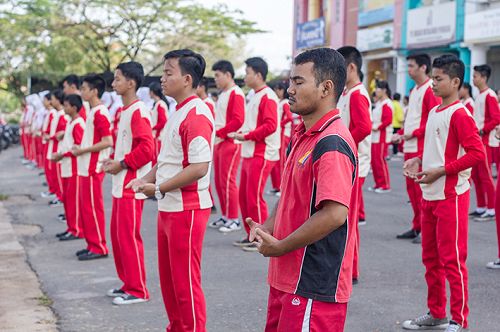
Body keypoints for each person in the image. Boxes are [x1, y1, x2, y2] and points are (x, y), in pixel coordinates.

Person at [246, 47, 358, 332]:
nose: (290, 89)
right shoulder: (304, 134)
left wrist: (282, 246)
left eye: (298, 82)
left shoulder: (331, 141)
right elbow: (290, 195)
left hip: (312, 282)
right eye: (290, 82)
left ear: (326, 88)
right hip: (287, 275)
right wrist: (268, 228)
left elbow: (334, 214)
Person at [127, 49, 214, 331]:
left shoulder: (197, 113)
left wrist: (159, 188)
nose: (162, 79)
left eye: (168, 73)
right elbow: (167, 160)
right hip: (169, 206)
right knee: (169, 280)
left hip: (186, 209)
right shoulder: (179, 110)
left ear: (187, 79)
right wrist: (145, 180)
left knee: (185, 281)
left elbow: (199, 167)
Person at [401, 54, 484, 332]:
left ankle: (460, 320)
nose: (433, 84)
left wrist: (443, 171)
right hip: (430, 195)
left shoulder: (461, 114)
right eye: (433, 78)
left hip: (451, 197)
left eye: (439, 79)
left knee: (453, 261)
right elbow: (435, 150)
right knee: (431, 259)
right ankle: (436, 313)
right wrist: (419, 161)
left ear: (455, 82)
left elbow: (476, 153)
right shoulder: (436, 111)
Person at [102, 62, 154, 305]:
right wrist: (116, 162)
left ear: (131, 83)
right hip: (121, 183)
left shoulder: (137, 110)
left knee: (129, 238)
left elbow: (147, 149)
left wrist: (121, 164)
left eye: (117, 79)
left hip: (131, 185)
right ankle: (128, 283)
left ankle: (138, 290)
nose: (113, 84)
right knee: (119, 237)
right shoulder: (127, 110)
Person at [228, 57, 280, 251]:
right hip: (250, 151)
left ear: (258, 75)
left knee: (254, 197)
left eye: (248, 72)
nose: (245, 76)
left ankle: (262, 237)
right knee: (245, 196)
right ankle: (251, 234)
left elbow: (270, 126)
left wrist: (246, 136)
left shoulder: (267, 96)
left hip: (263, 152)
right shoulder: (253, 94)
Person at [394, 53, 440, 243]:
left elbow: (433, 120)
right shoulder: (414, 90)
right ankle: (417, 226)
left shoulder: (430, 89)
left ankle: (426, 230)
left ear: (423, 67)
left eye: (412, 66)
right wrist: (403, 132)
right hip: (410, 144)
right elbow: (412, 119)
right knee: (412, 190)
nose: (409, 69)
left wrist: (413, 133)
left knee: (421, 190)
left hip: (421, 146)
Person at [337, 46, 371, 282]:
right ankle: (348, 267)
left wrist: (343, 144)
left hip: (354, 161)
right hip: (349, 160)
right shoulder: (348, 92)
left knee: (348, 221)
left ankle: (352, 270)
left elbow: (364, 127)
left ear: (351, 67)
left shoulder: (358, 93)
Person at [72, 74, 113, 261]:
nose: (81, 92)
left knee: (93, 209)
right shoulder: (93, 111)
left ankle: (99, 247)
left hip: (93, 166)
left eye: (84, 89)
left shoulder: (100, 112)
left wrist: (83, 150)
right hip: (86, 165)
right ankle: (91, 244)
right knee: (87, 208)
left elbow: (107, 141)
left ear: (94, 91)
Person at [209, 60, 245, 233]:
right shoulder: (224, 93)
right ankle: (225, 215)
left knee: (228, 181)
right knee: (219, 181)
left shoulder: (235, 93)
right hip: (220, 141)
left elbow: (238, 120)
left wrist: (221, 133)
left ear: (228, 75)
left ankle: (234, 219)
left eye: (218, 75)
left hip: (230, 142)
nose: (215, 79)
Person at [51, 94, 85, 241]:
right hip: (67, 167)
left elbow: (79, 148)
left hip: (74, 168)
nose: (64, 108)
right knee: (67, 200)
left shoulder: (78, 123)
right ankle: (71, 228)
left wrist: (62, 154)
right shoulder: (72, 122)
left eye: (66, 105)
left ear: (74, 108)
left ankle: (76, 229)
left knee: (73, 202)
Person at [470, 64, 500, 221]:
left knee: (486, 176)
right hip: (477, 141)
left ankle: (492, 209)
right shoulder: (480, 95)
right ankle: (481, 206)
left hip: (485, 141)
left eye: (475, 76)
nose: (473, 79)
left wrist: (482, 130)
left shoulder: (489, 95)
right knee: (476, 175)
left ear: (483, 77)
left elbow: (496, 118)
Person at [268, 82, 292, 196]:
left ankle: (282, 188)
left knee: (282, 161)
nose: (276, 92)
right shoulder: (278, 102)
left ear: (282, 90)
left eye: (278, 89)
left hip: (283, 134)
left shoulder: (284, 103)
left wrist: (280, 124)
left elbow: (290, 118)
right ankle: (276, 186)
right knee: (276, 162)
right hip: (278, 134)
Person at [370, 80, 393, 193]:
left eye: (378, 89)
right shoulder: (379, 103)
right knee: (374, 161)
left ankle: (385, 185)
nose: (376, 91)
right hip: (374, 136)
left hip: (381, 137)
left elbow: (388, 120)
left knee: (380, 160)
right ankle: (378, 183)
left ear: (384, 90)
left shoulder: (387, 103)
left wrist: (377, 127)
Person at [48, 90, 68, 208]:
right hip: (55, 144)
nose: (51, 101)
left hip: (59, 146)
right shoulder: (58, 114)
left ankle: (60, 196)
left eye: (53, 98)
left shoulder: (62, 115)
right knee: (54, 172)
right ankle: (58, 194)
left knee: (59, 173)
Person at [149, 82, 169, 164]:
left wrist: (152, 128)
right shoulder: (157, 104)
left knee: (156, 162)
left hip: (158, 137)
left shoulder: (160, 104)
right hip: (156, 137)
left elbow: (163, 121)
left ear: (152, 92)